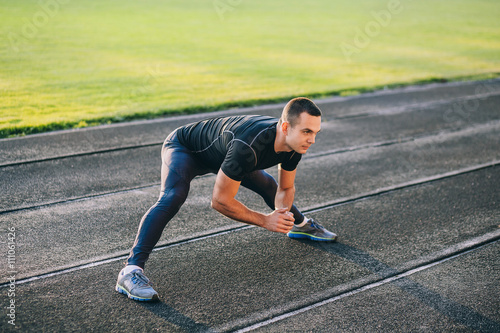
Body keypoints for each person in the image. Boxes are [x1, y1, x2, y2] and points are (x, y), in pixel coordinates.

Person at [115, 97, 337, 301]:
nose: (313, 140)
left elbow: (286, 187)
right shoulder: (248, 146)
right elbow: (220, 201)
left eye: (316, 132)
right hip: (186, 148)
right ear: (286, 127)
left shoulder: (295, 144)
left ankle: (299, 225)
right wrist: (265, 220)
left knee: (269, 184)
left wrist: (282, 215)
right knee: (173, 196)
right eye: (307, 131)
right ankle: (130, 272)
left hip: (225, 155)